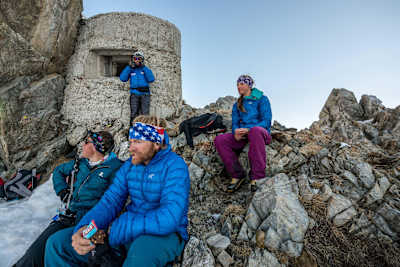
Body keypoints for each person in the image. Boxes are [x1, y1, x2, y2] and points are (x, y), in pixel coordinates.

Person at [44, 115, 190, 267]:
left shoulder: (175, 165)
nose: (131, 146)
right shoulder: (130, 165)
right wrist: (86, 226)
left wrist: (119, 229)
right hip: (127, 227)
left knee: (140, 256)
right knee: (58, 244)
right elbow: (110, 201)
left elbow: (170, 216)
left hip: (164, 234)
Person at [14, 131, 122, 267]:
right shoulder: (81, 163)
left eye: (87, 142)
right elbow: (58, 171)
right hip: (70, 215)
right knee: (34, 254)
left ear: (96, 147)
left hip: (91, 220)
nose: (83, 144)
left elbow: (115, 199)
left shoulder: (115, 167)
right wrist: (63, 191)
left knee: (55, 245)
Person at [214, 74, 272, 193]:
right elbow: (235, 122)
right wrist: (236, 132)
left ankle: (257, 177)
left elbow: (266, 121)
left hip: (260, 132)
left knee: (255, 131)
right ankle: (237, 175)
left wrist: (249, 129)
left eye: (241, 84)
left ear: (249, 85)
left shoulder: (262, 99)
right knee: (220, 140)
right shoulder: (237, 104)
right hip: (244, 135)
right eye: (237, 84)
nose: (238, 86)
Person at [120, 51, 155, 125]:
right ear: (133, 59)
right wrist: (129, 67)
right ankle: (133, 128)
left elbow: (151, 79)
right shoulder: (131, 69)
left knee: (145, 113)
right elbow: (123, 78)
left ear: (142, 60)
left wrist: (144, 67)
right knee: (134, 113)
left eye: (139, 58)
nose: (137, 60)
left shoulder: (144, 69)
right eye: (135, 58)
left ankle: (145, 129)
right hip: (134, 94)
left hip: (145, 94)